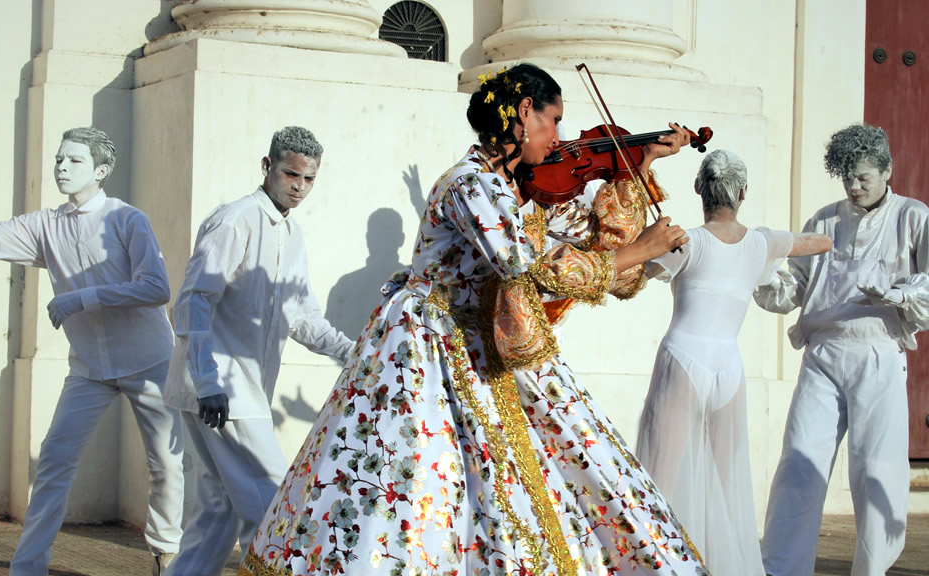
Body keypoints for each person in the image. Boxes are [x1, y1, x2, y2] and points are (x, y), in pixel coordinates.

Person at [235, 63, 710, 576]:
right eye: (554, 122)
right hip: (427, 346)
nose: (560, 140)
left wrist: (635, 160)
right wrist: (640, 249)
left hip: (485, 342)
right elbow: (525, 265)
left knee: (532, 473)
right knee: (415, 485)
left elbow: (583, 237)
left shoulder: (515, 188)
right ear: (524, 114)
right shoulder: (470, 184)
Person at [0, 127, 183, 576]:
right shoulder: (45, 224)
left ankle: (165, 555)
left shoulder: (127, 219)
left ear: (101, 170)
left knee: (166, 465)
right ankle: (28, 568)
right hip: (89, 368)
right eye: (59, 159)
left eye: (74, 161)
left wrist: (82, 297)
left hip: (150, 361)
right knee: (55, 459)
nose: (61, 167)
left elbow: (157, 287)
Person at [163, 126, 355, 576]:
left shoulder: (292, 234)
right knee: (273, 509)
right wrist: (208, 380)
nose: (299, 187)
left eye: (309, 179)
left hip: (239, 394)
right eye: (291, 174)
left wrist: (357, 352)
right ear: (267, 167)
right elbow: (194, 299)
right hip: (223, 393)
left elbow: (302, 318)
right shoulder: (235, 220)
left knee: (217, 514)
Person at [635, 150, 831, 574]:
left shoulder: (687, 242)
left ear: (697, 189)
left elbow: (630, 274)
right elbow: (819, 242)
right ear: (743, 193)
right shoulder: (763, 242)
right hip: (729, 370)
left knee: (657, 485)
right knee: (728, 493)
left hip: (683, 362)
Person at [754, 123, 929, 576]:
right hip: (823, 353)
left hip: (878, 351)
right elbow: (793, 284)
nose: (853, 187)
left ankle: (873, 570)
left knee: (876, 469)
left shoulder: (913, 217)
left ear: (888, 170)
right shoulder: (824, 220)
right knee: (799, 461)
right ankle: (781, 568)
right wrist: (758, 274)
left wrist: (898, 295)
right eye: (847, 178)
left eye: (864, 177)